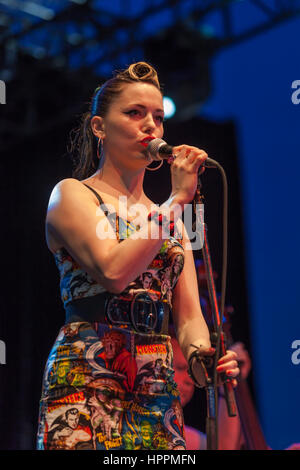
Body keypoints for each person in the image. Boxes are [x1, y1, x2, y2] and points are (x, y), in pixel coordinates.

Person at [37, 61, 239, 450]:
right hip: (86, 374)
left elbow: (189, 318)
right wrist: (177, 198)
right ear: (99, 127)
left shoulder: (171, 221)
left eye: (158, 117)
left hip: (156, 381)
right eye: (134, 113)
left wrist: (203, 360)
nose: (151, 126)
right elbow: (113, 270)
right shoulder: (73, 195)